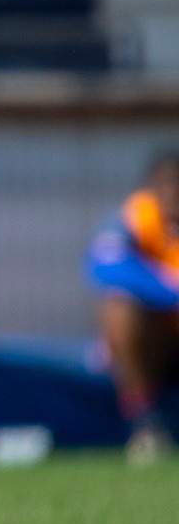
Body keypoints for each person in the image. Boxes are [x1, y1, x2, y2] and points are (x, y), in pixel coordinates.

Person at [85, 151, 179, 464]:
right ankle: (146, 423)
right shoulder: (132, 219)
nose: (174, 194)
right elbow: (106, 266)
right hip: (155, 341)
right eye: (166, 185)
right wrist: (172, 289)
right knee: (119, 305)